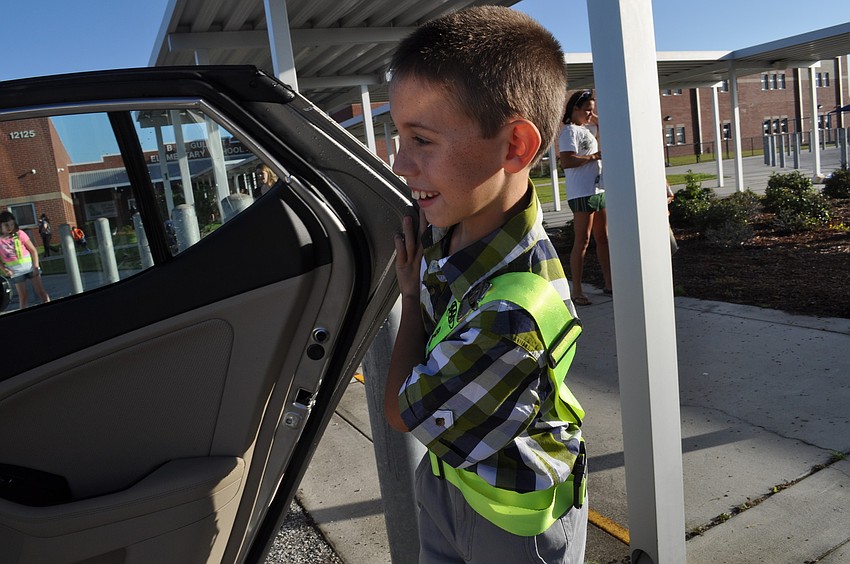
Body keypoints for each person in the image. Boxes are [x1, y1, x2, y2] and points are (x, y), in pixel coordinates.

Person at [385, 7, 587, 563]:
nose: (400, 164)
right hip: (453, 475)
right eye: (399, 136)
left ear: (516, 146)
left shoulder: (513, 317)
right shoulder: (449, 233)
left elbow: (401, 413)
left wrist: (408, 299)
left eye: (421, 140)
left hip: (516, 519)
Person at [558, 90, 612, 306]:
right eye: (587, 110)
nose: (591, 114)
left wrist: (591, 114)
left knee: (604, 238)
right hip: (581, 192)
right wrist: (594, 156)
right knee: (583, 241)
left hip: (598, 190)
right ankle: (577, 291)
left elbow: (608, 123)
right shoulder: (569, 132)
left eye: (592, 109)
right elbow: (567, 161)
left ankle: (610, 284)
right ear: (575, 110)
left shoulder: (587, 128)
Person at [0, 210, 51, 309]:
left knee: (41, 292)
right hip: (16, 272)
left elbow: (33, 250)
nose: (10, 227)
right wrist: (4, 269)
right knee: (23, 297)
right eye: (6, 225)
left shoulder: (20, 234)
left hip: (31, 268)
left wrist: (36, 266)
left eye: (12, 224)